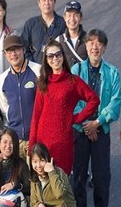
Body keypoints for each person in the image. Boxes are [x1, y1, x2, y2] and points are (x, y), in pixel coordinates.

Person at [71, 29, 121, 207]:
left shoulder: (112, 72)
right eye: (91, 42)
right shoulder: (76, 70)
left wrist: (97, 122)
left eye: (99, 43)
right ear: (86, 45)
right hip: (80, 130)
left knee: (101, 176)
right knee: (79, 176)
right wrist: (86, 124)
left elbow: (116, 102)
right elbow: (71, 100)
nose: (95, 46)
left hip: (101, 130)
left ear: (104, 47)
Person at [28, 39, 100, 175]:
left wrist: (77, 118)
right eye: (50, 56)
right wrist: (31, 147)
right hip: (43, 140)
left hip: (63, 141)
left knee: (61, 183)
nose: (55, 58)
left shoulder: (73, 81)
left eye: (58, 54)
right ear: (46, 59)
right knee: (44, 182)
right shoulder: (43, 82)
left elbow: (94, 100)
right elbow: (36, 116)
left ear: (62, 56)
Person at [0, 34, 41, 157]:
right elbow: (5, 107)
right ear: (5, 54)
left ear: (23, 50)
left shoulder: (38, 71)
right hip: (15, 140)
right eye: (9, 51)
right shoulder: (3, 79)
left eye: (16, 49)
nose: (13, 54)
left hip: (36, 137)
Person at [21, 0, 66, 64]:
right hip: (35, 72)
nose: (47, 3)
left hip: (57, 70)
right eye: (44, 0)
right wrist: (33, 66)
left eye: (50, 0)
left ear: (54, 2)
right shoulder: (31, 24)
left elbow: (67, 49)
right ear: (38, 3)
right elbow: (24, 49)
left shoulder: (63, 23)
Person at [57, 0, 87, 68]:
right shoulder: (58, 41)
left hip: (84, 79)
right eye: (69, 15)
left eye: (76, 15)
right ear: (64, 17)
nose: (72, 19)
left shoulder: (89, 40)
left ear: (81, 18)